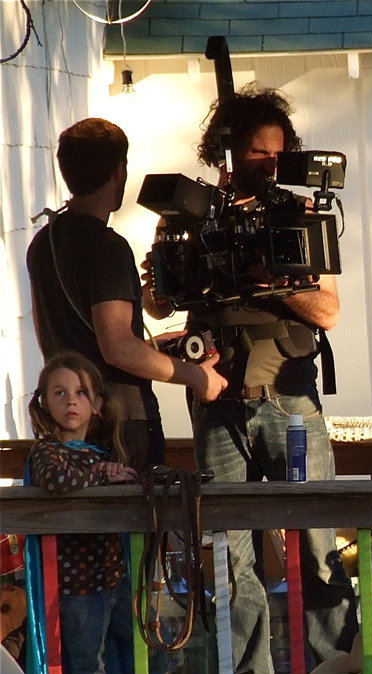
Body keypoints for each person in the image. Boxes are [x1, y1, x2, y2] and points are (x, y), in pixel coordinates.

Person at [144, 86, 356, 674]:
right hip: (216, 400)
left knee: (315, 537)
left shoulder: (300, 214)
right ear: (226, 151)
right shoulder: (191, 213)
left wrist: (274, 278)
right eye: (253, 151)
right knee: (228, 545)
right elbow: (157, 305)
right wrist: (171, 270)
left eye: (276, 152)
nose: (266, 163)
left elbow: (328, 311)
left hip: (289, 398)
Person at [27, 118, 226, 471]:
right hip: (119, 420)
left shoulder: (45, 241)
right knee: (132, 525)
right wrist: (196, 376)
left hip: (67, 419)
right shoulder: (108, 248)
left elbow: (60, 340)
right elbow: (117, 347)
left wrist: (150, 348)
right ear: (120, 170)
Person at [26, 352, 142, 674]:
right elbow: (59, 481)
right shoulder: (47, 453)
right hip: (77, 591)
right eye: (59, 392)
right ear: (43, 403)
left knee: (157, 647)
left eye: (80, 392)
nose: (70, 400)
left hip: (114, 581)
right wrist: (102, 476)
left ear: (96, 404)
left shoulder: (105, 454)